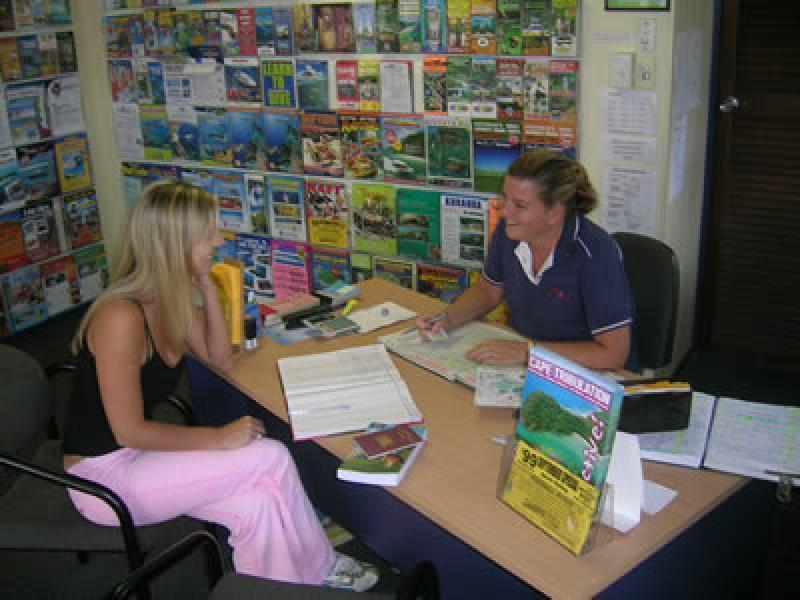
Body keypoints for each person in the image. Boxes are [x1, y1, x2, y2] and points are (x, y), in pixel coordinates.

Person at [61, 181, 378, 592]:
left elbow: (220, 359)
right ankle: (319, 567)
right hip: (102, 478)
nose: (218, 240)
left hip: (139, 456)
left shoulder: (170, 298)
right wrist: (218, 437)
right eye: (207, 233)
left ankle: (279, 587)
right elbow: (128, 431)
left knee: (259, 506)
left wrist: (209, 289)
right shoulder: (120, 317)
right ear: (177, 244)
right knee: (270, 457)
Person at [416, 150, 637, 372]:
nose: (505, 212)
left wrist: (527, 352)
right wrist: (446, 319)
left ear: (555, 212)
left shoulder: (596, 254)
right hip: (526, 357)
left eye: (520, 205)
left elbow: (613, 355)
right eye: (505, 198)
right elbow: (488, 290)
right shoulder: (509, 231)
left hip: (586, 372)